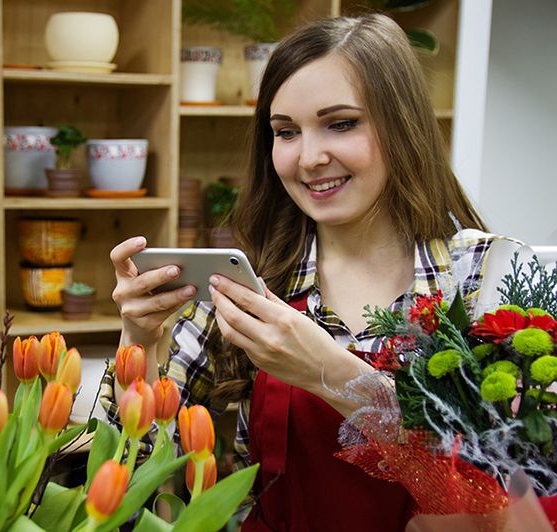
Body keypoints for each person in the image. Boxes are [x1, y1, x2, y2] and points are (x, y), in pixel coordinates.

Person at [101, 13, 523, 531]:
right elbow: (129, 477)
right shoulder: (251, 283)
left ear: (402, 124)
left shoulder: (486, 277)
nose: (309, 157)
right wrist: (138, 340)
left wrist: (332, 373)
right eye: (285, 132)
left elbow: (506, 493)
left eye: (341, 123)